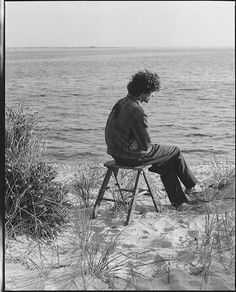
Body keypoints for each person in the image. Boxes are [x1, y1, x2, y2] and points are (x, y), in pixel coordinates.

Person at [105, 69, 200, 210]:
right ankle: (191, 186)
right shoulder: (137, 111)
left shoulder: (121, 103)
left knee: (168, 166)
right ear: (144, 91)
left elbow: (113, 129)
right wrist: (140, 142)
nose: (153, 95)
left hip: (117, 153)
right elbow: (146, 146)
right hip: (131, 157)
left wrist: (134, 141)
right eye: (153, 92)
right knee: (175, 151)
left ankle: (179, 203)